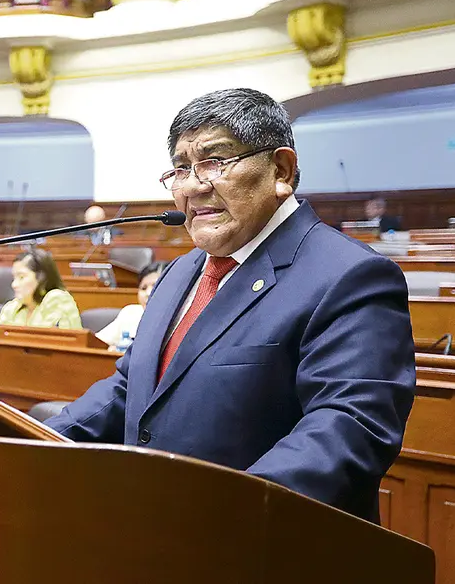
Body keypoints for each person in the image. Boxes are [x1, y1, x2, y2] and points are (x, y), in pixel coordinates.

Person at [44, 88, 416, 523]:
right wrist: (38, 442)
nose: (193, 187)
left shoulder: (349, 276)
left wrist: (225, 516)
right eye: (181, 168)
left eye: (215, 162)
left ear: (281, 169)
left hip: (256, 548)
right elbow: (132, 389)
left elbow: (349, 427)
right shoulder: (181, 272)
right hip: (152, 534)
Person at [0, 249, 83, 340]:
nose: (14, 284)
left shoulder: (58, 299)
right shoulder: (12, 307)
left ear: (41, 278)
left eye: (21, 277)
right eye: (14, 278)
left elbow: (43, 342)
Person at [95, 261, 170, 350]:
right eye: (143, 288)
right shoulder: (130, 313)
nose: (148, 293)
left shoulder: (176, 319)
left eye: (155, 287)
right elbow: (97, 342)